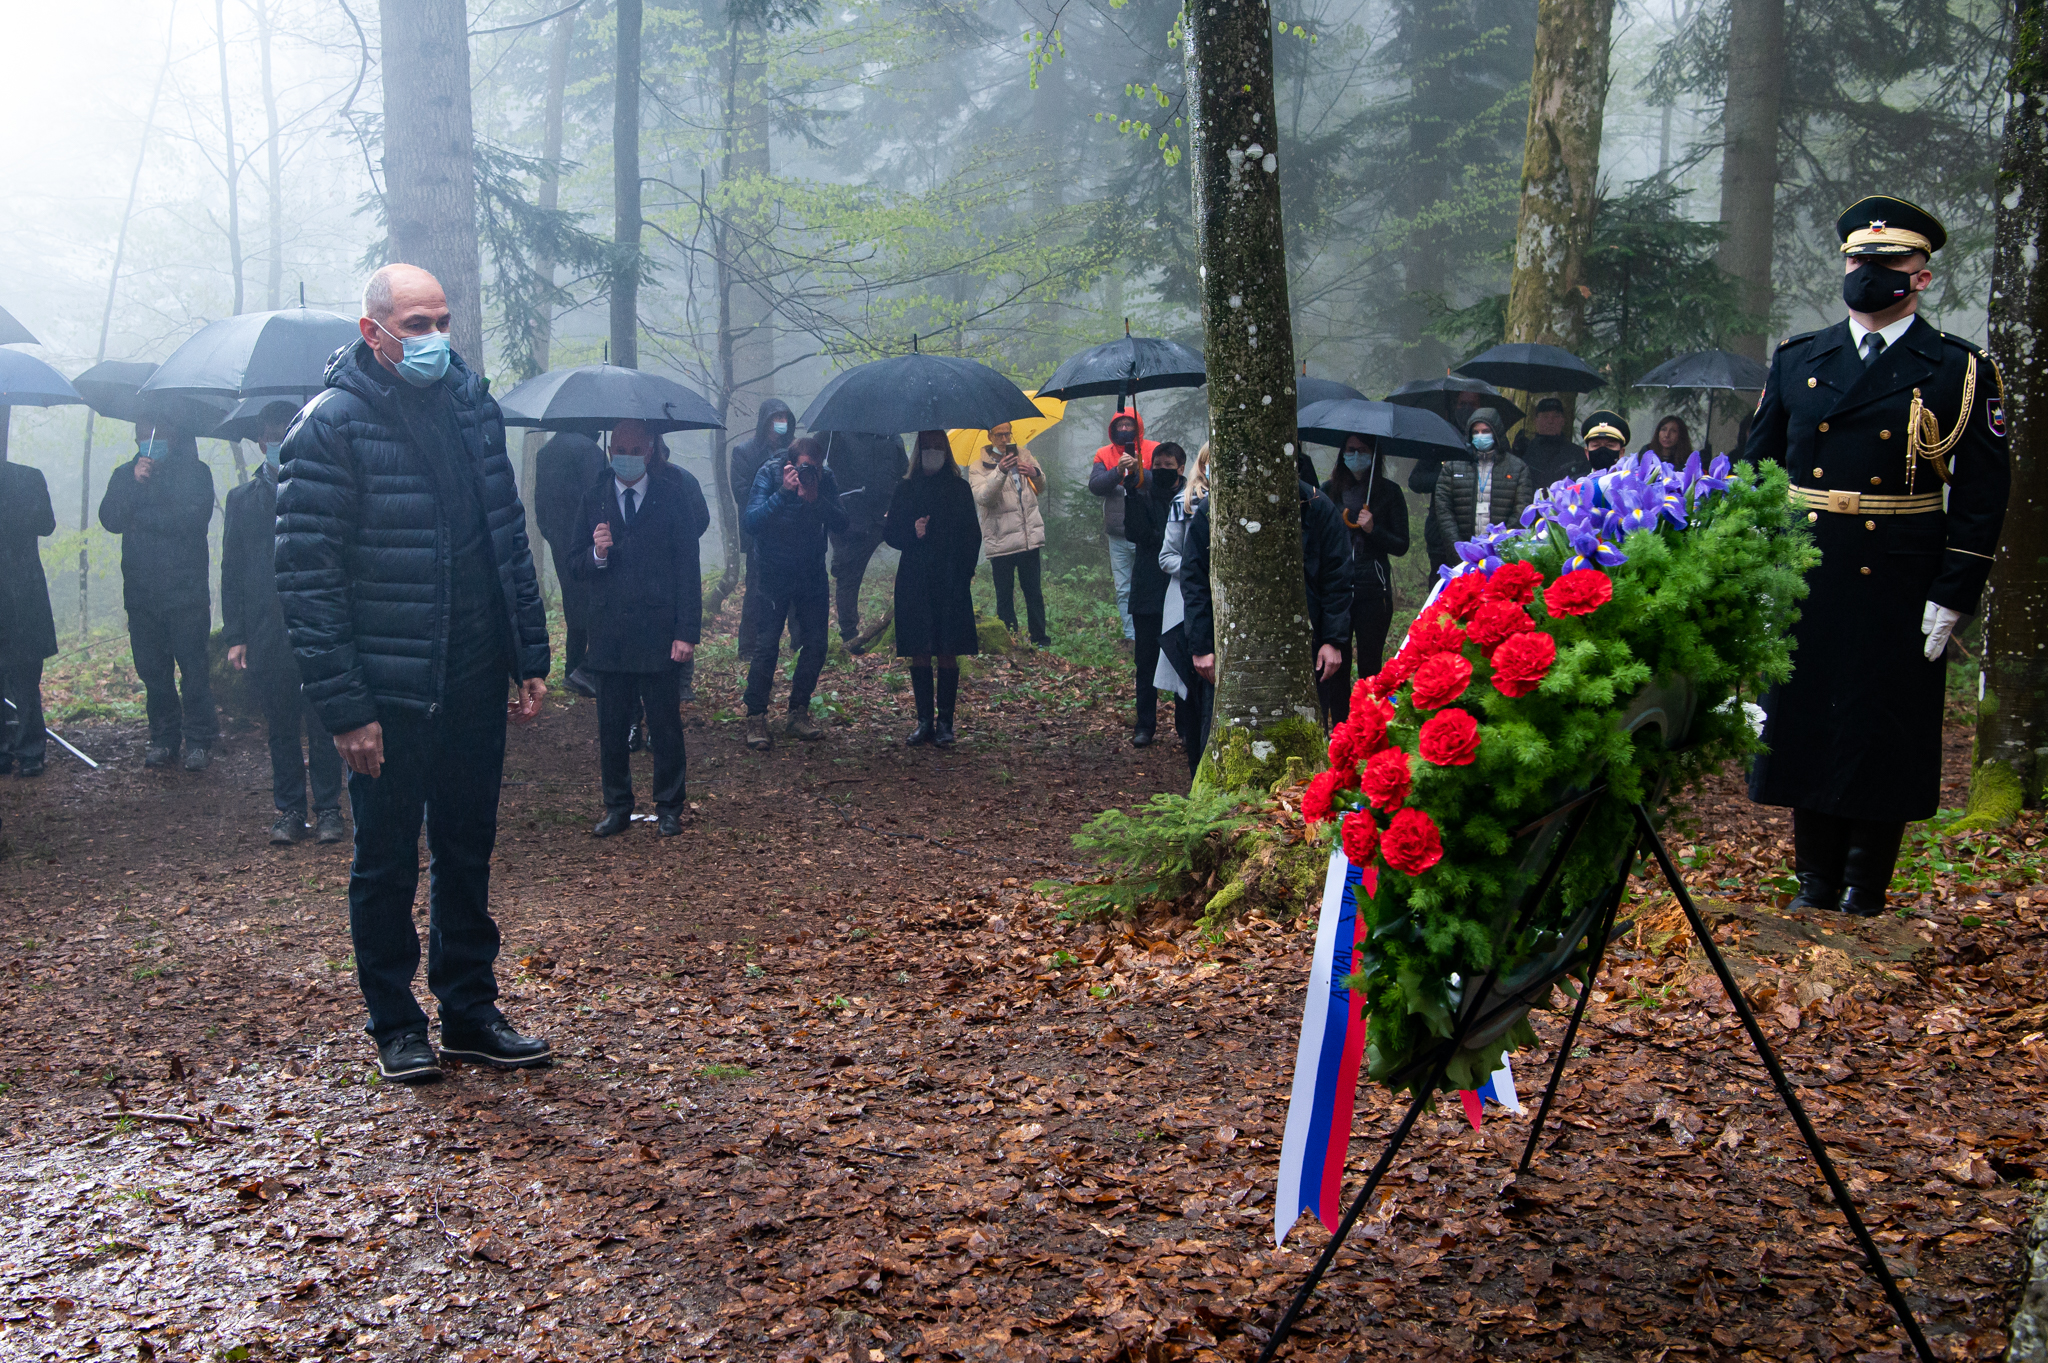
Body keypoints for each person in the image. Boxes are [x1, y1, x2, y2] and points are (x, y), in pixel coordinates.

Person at [276, 263, 553, 1085]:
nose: (434, 337)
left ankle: (469, 1009)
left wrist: (527, 654)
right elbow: (306, 579)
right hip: (388, 689)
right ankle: (395, 1022)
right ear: (374, 331)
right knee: (387, 859)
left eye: (441, 319)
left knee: (468, 849)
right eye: (416, 323)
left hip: (473, 673)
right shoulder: (329, 426)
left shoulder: (472, 405)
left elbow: (506, 534)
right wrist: (345, 708)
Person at [1745, 195, 2009, 916]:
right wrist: (1756, 565)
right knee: (1808, 720)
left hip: (1900, 573)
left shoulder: (1957, 368)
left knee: (1881, 727)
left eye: (1888, 263)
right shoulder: (1801, 358)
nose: (1869, 272)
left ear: (1921, 277)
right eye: (1860, 260)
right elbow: (1755, 470)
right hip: (1807, 567)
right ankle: (1814, 883)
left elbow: (1983, 494)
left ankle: (1865, 887)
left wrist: (1955, 591)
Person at [570, 420, 700, 838]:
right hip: (609, 633)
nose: (623, 455)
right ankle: (617, 805)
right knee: (611, 726)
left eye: (632, 448)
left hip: (660, 633)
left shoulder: (673, 496)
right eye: (617, 447)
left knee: (664, 725)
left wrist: (686, 632)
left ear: (649, 450)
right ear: (609, 451)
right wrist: (597, 552)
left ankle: (669, 805)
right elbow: (574, 564)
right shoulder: (594, 498)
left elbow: (688, 569)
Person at [223, 405, 345, 846]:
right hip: (265, 629)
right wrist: (235, 635)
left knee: (323, 719)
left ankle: (330, 809)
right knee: (280, 724)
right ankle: (289, 810)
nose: (275, 443)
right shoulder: (242, 500)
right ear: (259, 443)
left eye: (283, 434)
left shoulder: (319, 489)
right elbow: (230, 570)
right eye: (269, 436)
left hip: (317, 623)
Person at [1181, 462, 1352, 751]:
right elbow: (1194, 577)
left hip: (1304, 642)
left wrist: (1333, 640)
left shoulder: (1317, 506)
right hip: (1232, 642)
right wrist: (1200, 645)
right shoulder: (1218, 506)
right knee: (1223, 736)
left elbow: (1338, 575)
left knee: (1302, 734)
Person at [98, 421, 218, 770]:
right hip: (141, 593)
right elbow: (110, 518)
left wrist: (146, 513)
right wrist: (135, 486)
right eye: (143, 430)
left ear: (175, 434)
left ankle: (199, 740)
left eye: (159, 431)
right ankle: (164, 738)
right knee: (153, 671)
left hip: (186, 593)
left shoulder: (196, 473)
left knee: (194, 669)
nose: (151, 438)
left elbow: (194, 519)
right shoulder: (125, 474)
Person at [740, 435, 845, 751]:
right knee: (766, 645)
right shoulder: (770, 474)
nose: (809, 473)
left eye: (814, 467)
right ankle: (756, 715)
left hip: (811, 572)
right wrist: (784, 493)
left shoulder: (825, 480)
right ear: (791, 462)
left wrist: (817, 499)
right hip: (772, 572)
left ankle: (798, 711)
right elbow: (751, 521)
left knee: (816, 644)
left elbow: (842, 522)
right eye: (803, 468)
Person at [885, 430, 983, 747]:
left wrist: (965, 572)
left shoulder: (959, 489)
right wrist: (912, 531)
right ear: (919, 451)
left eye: (938, 447)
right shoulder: (905, 489)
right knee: (920, 650)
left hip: (951, 580)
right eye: (927, 448)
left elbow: (973, 535)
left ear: (946, 451)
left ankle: (946, 724)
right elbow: (890, 534)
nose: (932, 453)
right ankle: (924, 721)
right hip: (915, 580)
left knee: (947, 649)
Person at [1320, 434, 1411, 716]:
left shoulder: (1389, 492)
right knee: (1337, 662)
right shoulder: (1328, 491)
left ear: (1373, 454)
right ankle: (1340, 725)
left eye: (1362, 450)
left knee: (1370, 663)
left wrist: (1374, 530)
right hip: (1336, 590)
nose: (1355, 455)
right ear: (1342, 453)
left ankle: (1370, 722)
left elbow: (1401, 544)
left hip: (1373, 588)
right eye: (1350, 449)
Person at [533, 430, 608, 693]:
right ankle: (585, 669)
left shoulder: (546, 453)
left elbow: (539, 506)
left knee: (574, 603)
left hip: (559, 538)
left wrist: (552, 534)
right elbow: (599, 498)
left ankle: (574, 669)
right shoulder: (589, 451)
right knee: (599, 603)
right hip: (588, 542)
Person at [0, 436, 57, 778]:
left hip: (22, 594)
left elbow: (46, 525)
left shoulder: (27, 478)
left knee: (25, 677)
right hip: (19, 593)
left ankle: (31, 750)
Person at [1121, 442, 1185, 747]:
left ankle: (1186, 725)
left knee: (1182, 660)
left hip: (1181, 592)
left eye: (1167, 465)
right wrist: (1131, 490)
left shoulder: (1191, 498)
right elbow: (1135, 533)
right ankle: (1144, 725)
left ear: (1181, 468)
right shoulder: (1143, 494)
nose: (1161, 470)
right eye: (1156, 465)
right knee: (1145, 663)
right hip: (1147, 590)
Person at [821, 430, 908, 645]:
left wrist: (896, 503)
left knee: (917, 555)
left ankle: (913, 616)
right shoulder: (835, 432)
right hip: (850, 519)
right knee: (848, 575)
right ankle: (849, 634)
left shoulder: (891, 435)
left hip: (885, 515)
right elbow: (816, 463)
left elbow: (903, 471)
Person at [968, 423, 1050, 646]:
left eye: (1007, 434)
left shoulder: (1024, 455)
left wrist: (1035, 473)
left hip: (1028, 536)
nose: (1004, 439)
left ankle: (1040, 639)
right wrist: (1001, 471)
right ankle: (1010, 639)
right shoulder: (978, 467)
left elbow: (1040, 487)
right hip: (1001, 539)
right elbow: (984, 498)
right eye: (999, 435)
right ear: (990, 436)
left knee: (1033, 591)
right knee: (1004, 594)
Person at [1156, 444, 1211, 776]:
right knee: (1189, 681)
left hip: (1221, 605)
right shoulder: (1185, 503)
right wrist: (1200, 571)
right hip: (1186, 603)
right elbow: (1167, 556)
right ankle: (1194, 760)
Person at [645, 430, 712, 705]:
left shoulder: (683, 479)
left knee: (680, 621)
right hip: (644, 568)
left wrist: (682, 541)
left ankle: (683, 682)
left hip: (675, 564)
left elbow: (701, 517)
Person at [728, 398, 798, 660]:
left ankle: (798, 642)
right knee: (756, 590)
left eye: (784, 417)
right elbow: (743, 494)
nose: (780, 422)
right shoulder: (744, 452)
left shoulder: (794, 450)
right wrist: (774, 496)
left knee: (795, 588)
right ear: (765, 421)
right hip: (759, 533)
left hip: (791, 532)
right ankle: (748, 647)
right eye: (775, 417)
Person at [1428, 408, 1535, 571]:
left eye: (1485, 431)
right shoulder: (1453, 465)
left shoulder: (1517, 468)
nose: (1480, 436)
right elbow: (1443, 511)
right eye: (1476, 432)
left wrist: (1501, 548)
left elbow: (1521, 510)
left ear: (1496, 432)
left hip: (1502, 557)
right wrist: (1459, 551)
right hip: (1461, 556)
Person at [1087, 409, 1158, 646]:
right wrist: (1117, 470)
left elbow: (1160, 484)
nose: (1125, 429)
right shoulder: (1103, 454)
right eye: (1120, 425)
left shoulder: (1153, 449)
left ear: (1138, 427)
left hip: (1148, 531)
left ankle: (1154, 632)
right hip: (1117, 532)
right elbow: (1096, 486)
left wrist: (1139, 469)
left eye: (1129, 425)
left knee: (1150, 582)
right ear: (1113, 428)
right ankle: (1132, 636)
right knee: (1123, 587)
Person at [1513, 396, 1591, 487]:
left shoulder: (1577, 455)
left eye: (1556, 416)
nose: (1550, 421)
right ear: (1536, 421)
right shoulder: (1524, 451)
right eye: (1545, 416)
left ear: (1563, 421)